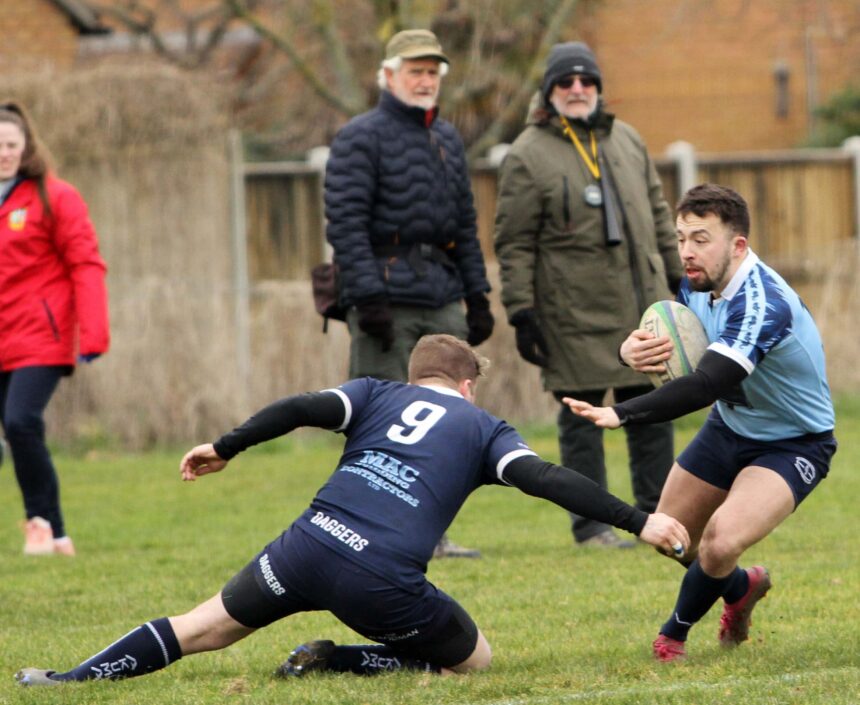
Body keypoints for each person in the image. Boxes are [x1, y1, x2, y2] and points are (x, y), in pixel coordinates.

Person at [16, 334, 689, 686]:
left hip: (306, 545)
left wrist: (226, 445)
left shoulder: (374, 392)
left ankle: (68, 677)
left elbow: (301, 406)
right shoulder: (484, 427)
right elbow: (546, 477)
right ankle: (341, 660)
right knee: (473, 661)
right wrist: (641, 518)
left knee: (202, 627)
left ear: (414, 370)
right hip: (381, 580)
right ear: (465, 384)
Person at [563, 184, 837, 662]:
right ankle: (741, 586)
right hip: (729, 428)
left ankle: (673, 636)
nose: (687, 252)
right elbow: (674, 346)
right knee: (672, 536)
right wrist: (627, 353)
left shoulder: (762, 305)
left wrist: (621, 412)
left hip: (795, 444)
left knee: (719, 540)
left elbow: (705, 383)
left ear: (738, 245)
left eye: (701, 239)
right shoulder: (696, 282)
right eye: (681, 237)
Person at [493, 42, 684, 549]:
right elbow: (513, 242)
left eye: (586, 81)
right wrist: (521, 311)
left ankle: (658, 515)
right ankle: (592, 525)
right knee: (581, 417)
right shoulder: (526, 154)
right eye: (565, 81)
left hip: (640, 304)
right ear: (549, 91)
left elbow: (660, 216)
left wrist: (679, 278)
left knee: (649, 407)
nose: (577, 89)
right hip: (571, 310)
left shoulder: (627, 139)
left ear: (598, 88)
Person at [325, 29, 494, 558]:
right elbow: (345, 223)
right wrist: (369, 297)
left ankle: (432, 535)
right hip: (385, 298)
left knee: (448, 423)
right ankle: (353, 529)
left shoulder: (446, 138)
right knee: (379, 418)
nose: (424, 81)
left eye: (432, 72)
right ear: (389, 75)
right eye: (415, 70)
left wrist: (478, 294)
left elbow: (465, 226)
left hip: (441, 292)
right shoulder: (360, 136)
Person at [0, 102, 110, 557]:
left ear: (26, 147)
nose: (3, 153)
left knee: (21, 421)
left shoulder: (54, 196)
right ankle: (59, 534)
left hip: (40, 336)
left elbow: (86, 263)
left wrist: (94, 333)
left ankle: (40, 524)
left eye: (10, 144)